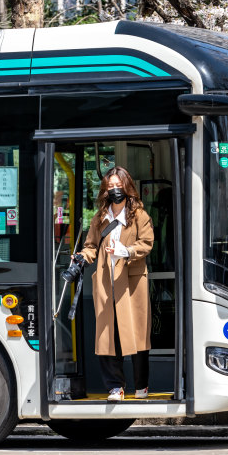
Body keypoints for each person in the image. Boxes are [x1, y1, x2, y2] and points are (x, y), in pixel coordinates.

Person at [74, 166, 154, 402]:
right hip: (106, 281)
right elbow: (91, 246)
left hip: (131, 282)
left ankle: (142, 385)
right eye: (110, 187)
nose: (114, 190)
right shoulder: (100, 217)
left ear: (127, 187)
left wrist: (125, 251)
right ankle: (115, 388)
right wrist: (81, 256)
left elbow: (146, 243)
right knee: (108, 335)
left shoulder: (140, 215)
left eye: (118, 185)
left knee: (138, 334)